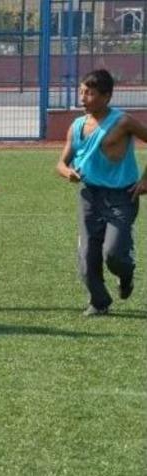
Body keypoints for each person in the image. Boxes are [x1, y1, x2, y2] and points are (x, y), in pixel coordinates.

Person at [55, 69, 147, 316]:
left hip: (122, 197)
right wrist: (68, 173)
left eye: (90, 93)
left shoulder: (123, 122)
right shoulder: (76, 126)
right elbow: (61, 163)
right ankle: (99, 302)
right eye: (81, 92)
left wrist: (145, 180)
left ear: (106, 96)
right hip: (89, 196)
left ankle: (126, 274)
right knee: (87, 257)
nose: (83, 98)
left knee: (114, 255)